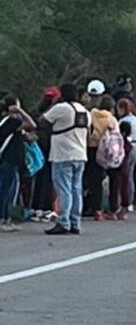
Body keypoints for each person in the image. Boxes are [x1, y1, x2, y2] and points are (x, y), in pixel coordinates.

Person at [42, 83, 90, 235]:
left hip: (63, 154)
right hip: (80, 153)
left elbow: (42, 121)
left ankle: (63, 221)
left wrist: (51, 104)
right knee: (76, 189)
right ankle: (75, 222)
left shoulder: (61, 108)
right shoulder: (85, 111)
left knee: (63, 189)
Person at [0, 94, 36, 232]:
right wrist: (21, 112)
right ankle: (3, 218)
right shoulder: (10, 121)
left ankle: (7, 217)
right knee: (6, 190)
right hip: (9, 158)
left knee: (11, 189)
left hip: (10, 159)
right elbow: (32, 124)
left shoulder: (6, 122)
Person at [84, 94, 118, 220]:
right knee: (108, 179)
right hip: (106, 150)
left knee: (93, 180)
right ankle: (106, 208)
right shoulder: (111, 119)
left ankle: (93, 207)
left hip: (91, 147)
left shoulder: (92, 115)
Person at [29, 86, 61, 222]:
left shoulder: (36, 112)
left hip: (39, 146)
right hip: (51, 146)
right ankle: (46, 208)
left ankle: (37, 208)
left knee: (40, 178)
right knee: (48, 178)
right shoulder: (56, 113)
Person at [116, 98, 136, 211]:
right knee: (130, 175)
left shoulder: (123, 121)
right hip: (135, 146)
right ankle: (131, 199)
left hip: (126, 146)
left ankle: (125, 201)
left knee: (125, 176)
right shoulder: (135, 119)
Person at [108, 122, 134, 220]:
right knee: (125, 188)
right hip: (125, 167)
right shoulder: (128, 143)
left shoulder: (117, 141)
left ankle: (113, 211)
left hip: (116, 167)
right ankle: (124, 210)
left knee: (115, 189)